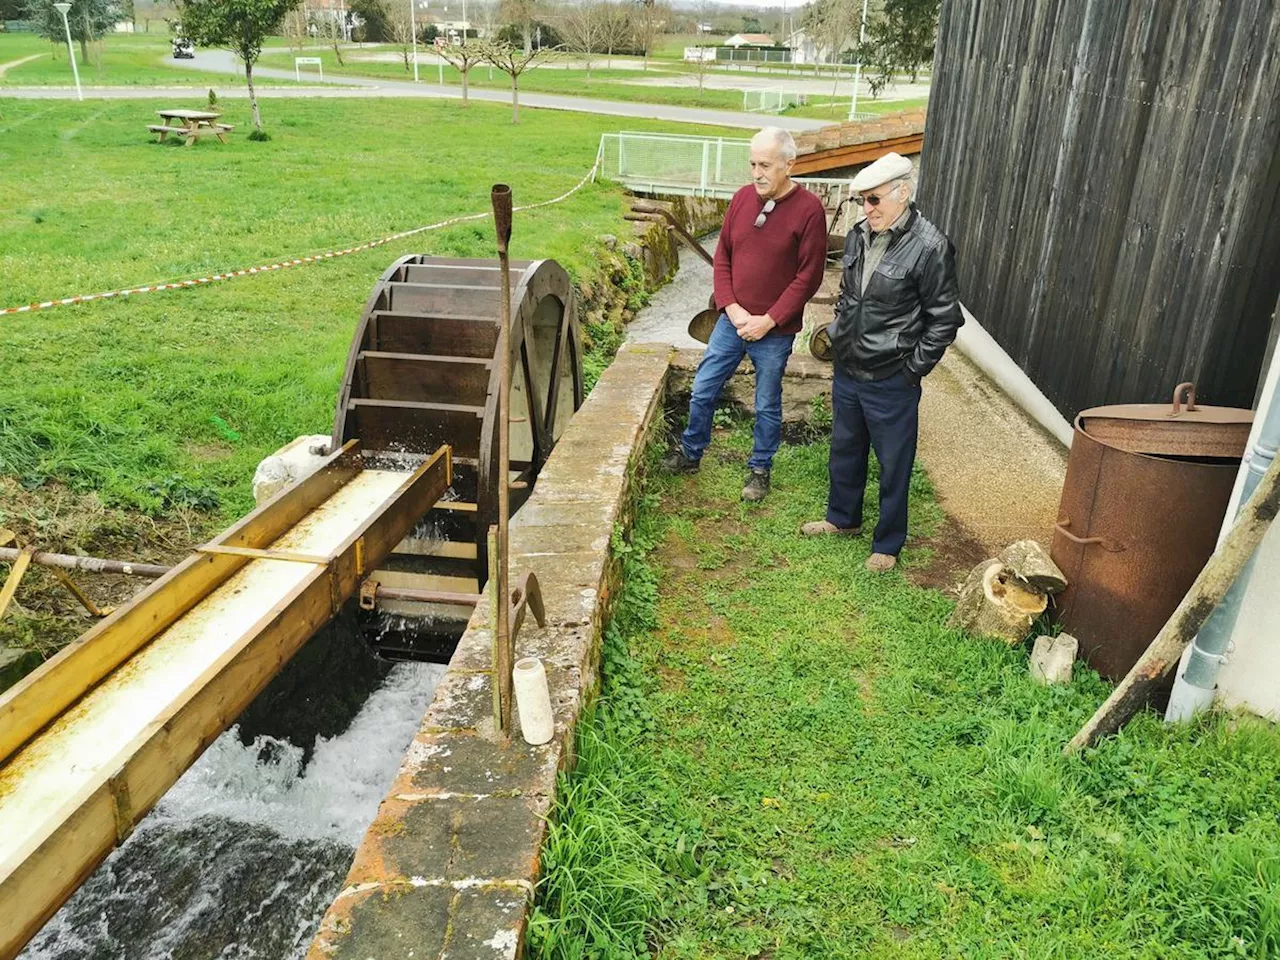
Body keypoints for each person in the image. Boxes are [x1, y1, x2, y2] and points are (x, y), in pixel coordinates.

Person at [802, 152, 963, 572]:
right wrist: (839, 335)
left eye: (874, 200)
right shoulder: (857, 235)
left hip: (892, 377)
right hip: (850, 369)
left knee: (894, 464)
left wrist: (912, 370)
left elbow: (944, 321)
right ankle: (842, 519)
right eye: (862, 201)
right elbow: (850, 296)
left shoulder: (931, 247)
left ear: (903, 193)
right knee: (845, 449)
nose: (867, 209)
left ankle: (887, 544)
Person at [661, 126, 828, 502]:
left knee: (767, 402)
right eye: (752, 164)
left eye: (765, 165)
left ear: (789, 164)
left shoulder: (809, 211)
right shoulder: (740, 199)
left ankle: (759, 468)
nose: (757, 173)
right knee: (702, 389)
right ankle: (690, 452)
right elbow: (723, 257)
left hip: (775, 329)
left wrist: (769, 320)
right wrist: (732, 308)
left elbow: (809, 276)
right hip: (731, 321)